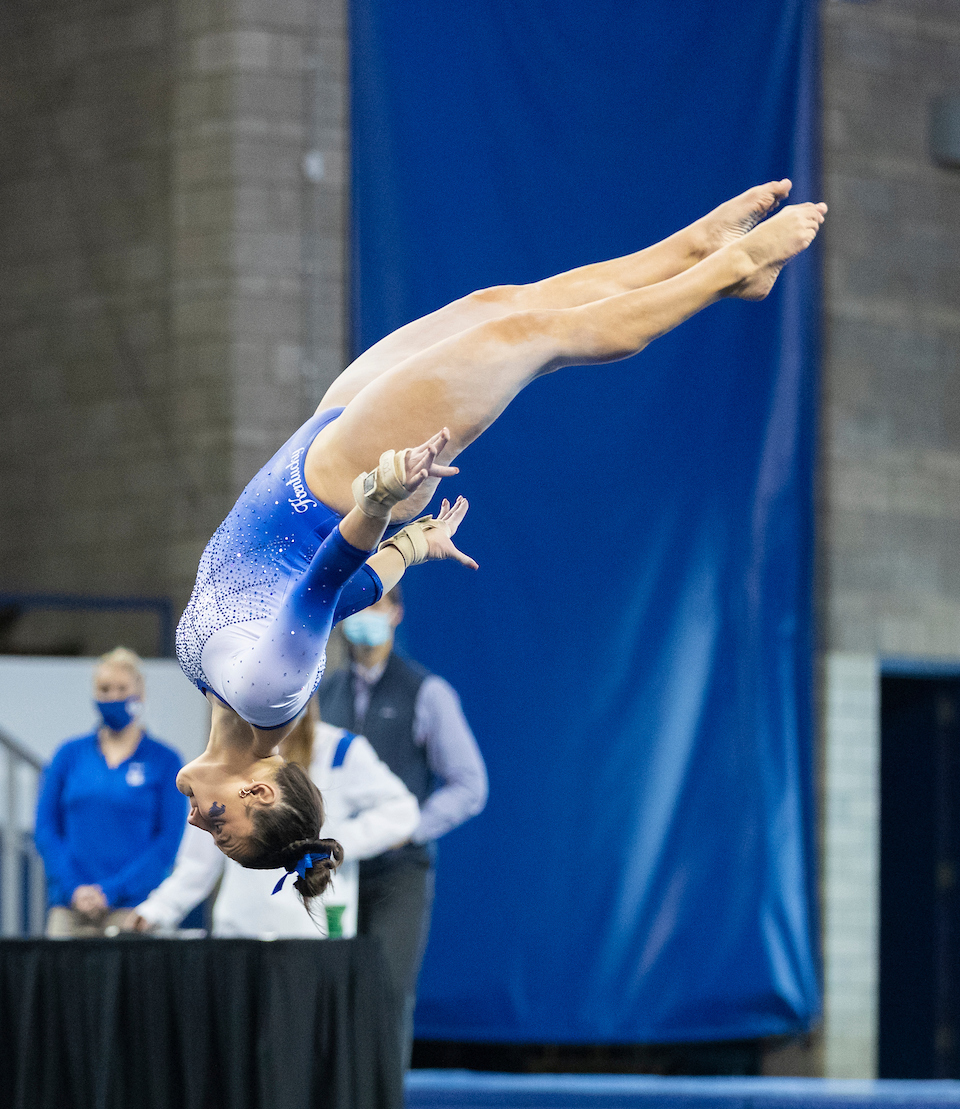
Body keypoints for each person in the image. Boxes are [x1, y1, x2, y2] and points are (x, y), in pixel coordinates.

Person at [173, 182, 827, 896]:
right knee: (531, 340)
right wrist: (379, 503)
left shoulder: (229, 695)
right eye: (221, 826)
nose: (199, 822)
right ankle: (725, 272)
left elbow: (334, 601)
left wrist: (412, 547)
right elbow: (322, 581)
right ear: (261, 794)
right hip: (342, 479)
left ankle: (688, 252)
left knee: (497, 309)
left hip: (321, 452)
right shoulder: (267, 699)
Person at [317, 583, 487, 1064]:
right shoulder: (324, 693)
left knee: (387, 996)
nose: (365, 615)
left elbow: (469, 785)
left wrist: (407, 830)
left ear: (396, 614)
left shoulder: (426, 692)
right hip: (334, 875)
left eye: (376, 604)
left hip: (397, 874)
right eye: (357, 605)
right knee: (331, 995)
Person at [125, 706, 419, 937]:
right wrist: (157, 910)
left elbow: (402, 812)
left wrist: (328, 843)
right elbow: (199, 861)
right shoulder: (228, 760)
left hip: (313, 933)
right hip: (239, 928)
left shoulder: (341, 751)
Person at [34, 647, 186, 937]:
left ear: (139, 693)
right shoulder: (69, 755)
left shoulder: (164, 761)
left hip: (133, 911)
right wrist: (75, 888)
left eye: (122, 688)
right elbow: (46, 830)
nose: (113, 697)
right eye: (104, 689)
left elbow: (167, 842)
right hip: (70, 909)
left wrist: (112, 891)